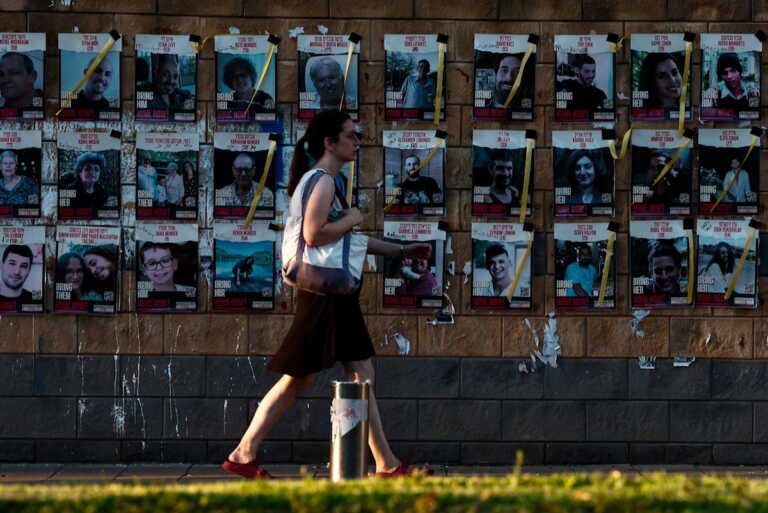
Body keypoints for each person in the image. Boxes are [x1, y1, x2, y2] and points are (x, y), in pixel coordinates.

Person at [222, 109, 433, 479]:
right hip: (327, 295)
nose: (357, 142)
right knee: (335, 373)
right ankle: (245, 453)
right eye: (351, 136)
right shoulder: (321, 181)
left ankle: (385, 463)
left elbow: (344, 241)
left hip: (328, 292)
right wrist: (352, 217)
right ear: (330, 143)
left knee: (333, 374)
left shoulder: (325, 182)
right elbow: (315, 236)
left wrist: (399, 251)